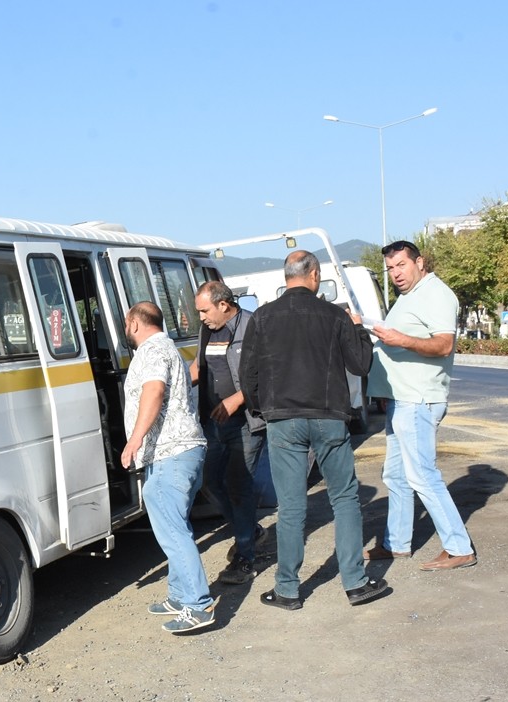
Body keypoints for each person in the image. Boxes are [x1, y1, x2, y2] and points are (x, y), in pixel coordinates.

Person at [239, 251, 389, 610]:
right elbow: (361, 363)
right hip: (328, 418)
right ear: (314, 275)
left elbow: (248, 376)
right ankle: (354, 583)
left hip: (283, 421)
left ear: (287, 276)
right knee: (345, 499)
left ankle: (288, 590)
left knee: (291, 508)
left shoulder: (262, 317)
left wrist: (263, 408)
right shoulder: (335, 316)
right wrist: (358, 329)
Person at [366, 240, 477, 571]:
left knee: (422, 476)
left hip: (418, 399)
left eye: (401, 265)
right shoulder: (409, 297)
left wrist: (400, 340)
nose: (396, 273)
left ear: (420, 262)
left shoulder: (436, 294)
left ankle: (459, 548)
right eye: (390, 269)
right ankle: (396, 544)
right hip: (401, 399)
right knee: (396, 475)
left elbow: (443, 345)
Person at [120, 301, 217, 634]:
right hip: (179, 452)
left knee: (173, 531)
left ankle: (197, 605)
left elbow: (155, 391)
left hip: (171, 453)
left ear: (134, 323)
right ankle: (179, 595)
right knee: (177, 526)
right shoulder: (167, 347)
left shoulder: (151, 351)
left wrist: (134, 441)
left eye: (125, 323)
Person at [190, 280, 274, 585]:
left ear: (224, 304)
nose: (201, 317)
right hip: (215, 422)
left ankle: (245, 557)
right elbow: (201, 367)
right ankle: (249, 531)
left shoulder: (253, 326)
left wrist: (237, 399)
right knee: (210, 481)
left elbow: (269, 374)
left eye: (204, 310)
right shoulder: (207, 330)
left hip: (246, 423)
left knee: (239, 485)